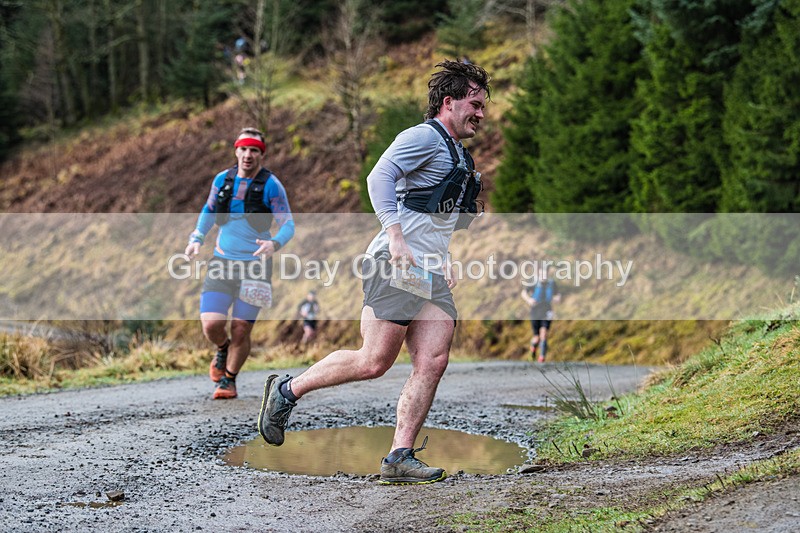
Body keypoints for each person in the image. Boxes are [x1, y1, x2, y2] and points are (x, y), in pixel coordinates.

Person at [257, 60, 491, 485]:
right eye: (474, 104)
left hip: (429, 269)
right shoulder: (422, 137)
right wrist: (395, 234)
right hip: (394, 260)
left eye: (483, 107)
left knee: (434, 358)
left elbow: (435, 217)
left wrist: (445, 254)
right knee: (374, 361)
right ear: (448, 102)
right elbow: (379, 175)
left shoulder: (459, 153)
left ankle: (399, 455)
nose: (481, 113)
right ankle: (287, 391)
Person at [185, 127, 295, 400]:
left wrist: (274, 244)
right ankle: (222, 349)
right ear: (236, 151)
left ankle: (229, 380)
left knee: (241, 328)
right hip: (222, 261)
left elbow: (288, 224)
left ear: (261, 155)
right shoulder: (222, 180)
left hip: (256, 266)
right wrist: (197, 237)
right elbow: (209, 210)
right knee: (211, 324)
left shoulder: (271, 185)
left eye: (254, 150)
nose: (248, 155)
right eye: (244, 149)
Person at [520, 270, 561, 363]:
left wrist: (556, 298)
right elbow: (523, 293)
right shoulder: (534, 282)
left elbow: (558, 295)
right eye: (542, 274)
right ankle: (533, 350)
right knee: (536, 337)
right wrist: (529, 300)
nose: (544, 276)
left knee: (544, 334)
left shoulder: (552, 283)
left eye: (545, 274)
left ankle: (542, 358)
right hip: (535, 311)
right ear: (539, 275)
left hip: (547, 311)